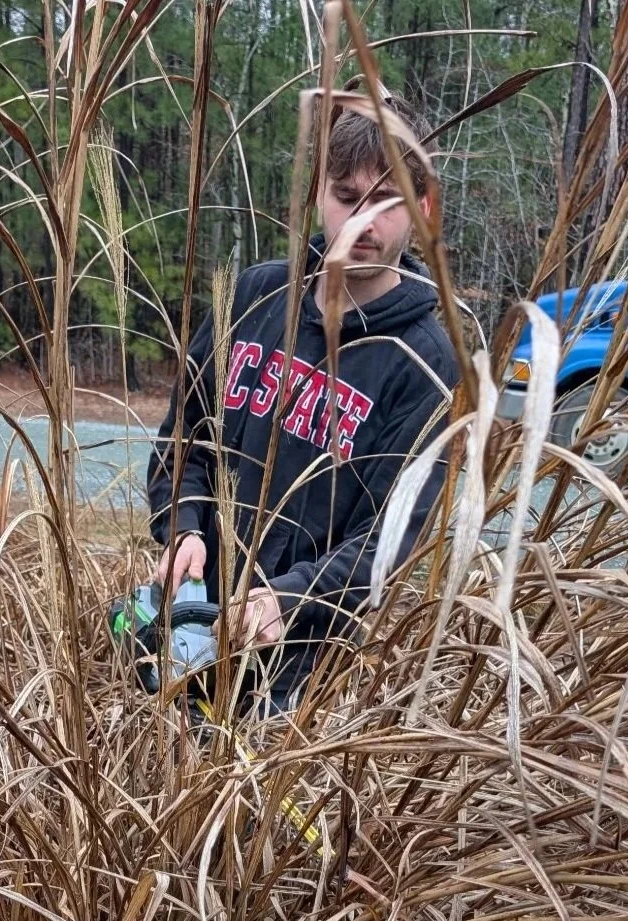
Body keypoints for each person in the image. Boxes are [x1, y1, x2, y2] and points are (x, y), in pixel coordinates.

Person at [147, 90, 459, 713]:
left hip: (303, 668)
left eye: (388, 201)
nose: (362, 224)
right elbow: (186, 434)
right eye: (346, 197)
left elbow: (392, 540)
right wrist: (182, 526)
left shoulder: (429, 362)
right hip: (194, 619)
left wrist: (288, 598)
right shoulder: (256, 296)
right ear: (319, 192)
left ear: (423, 209)